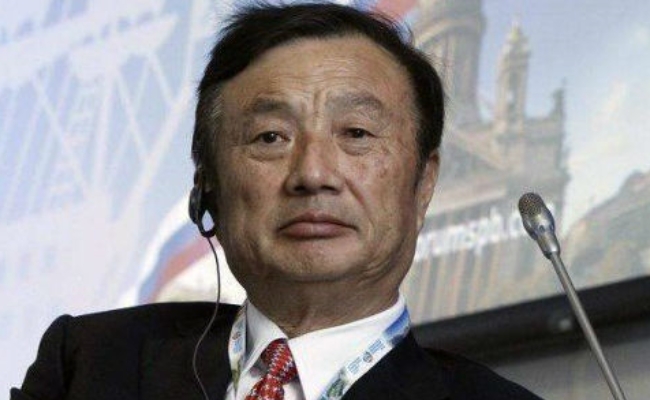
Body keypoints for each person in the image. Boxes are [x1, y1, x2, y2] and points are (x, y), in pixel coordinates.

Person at [12, 3, 543, 400]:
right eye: (270, 137)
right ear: (207, 188)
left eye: (356, 133)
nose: (313, 174)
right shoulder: (89, 363)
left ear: (423, 184)